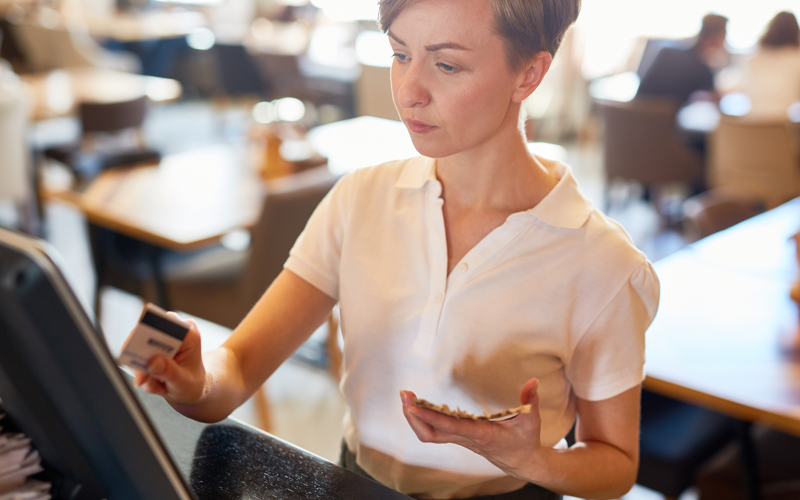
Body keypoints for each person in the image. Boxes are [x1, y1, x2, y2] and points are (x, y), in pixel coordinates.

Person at [129, 1, 660, 499]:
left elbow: (615, 464)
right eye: (400, 54)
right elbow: (239, 367)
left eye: (447, 66)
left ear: (530, 74)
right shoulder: (361, 198)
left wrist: (532, 461)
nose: (408, 91)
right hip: (357, 480)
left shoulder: (602, 263)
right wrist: (198, 381)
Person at [636, 14, 729, 106]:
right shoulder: (702, 69)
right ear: (716, 37)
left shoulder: (667, 52)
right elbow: (717, 98)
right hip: (661, 118)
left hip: (633, 113)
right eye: (724, 36)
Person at [724, 11, 800, 119]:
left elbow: (732, 87)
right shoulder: (796, 59)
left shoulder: (751, 59)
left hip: (748, 129)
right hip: (782, 130)